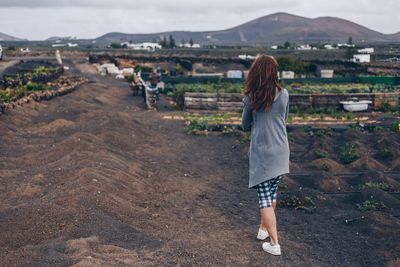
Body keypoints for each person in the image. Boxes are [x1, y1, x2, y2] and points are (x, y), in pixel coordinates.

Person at [241, 55, 290, 256]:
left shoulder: (251, 98)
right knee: (272, 194)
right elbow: (284, 118)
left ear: (256, 72)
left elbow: (245, 126)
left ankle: (275, 244)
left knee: (264, 199)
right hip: (281, 150)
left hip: (263, 153)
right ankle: (262, 230)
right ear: (273, 72)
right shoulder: (284, 93)